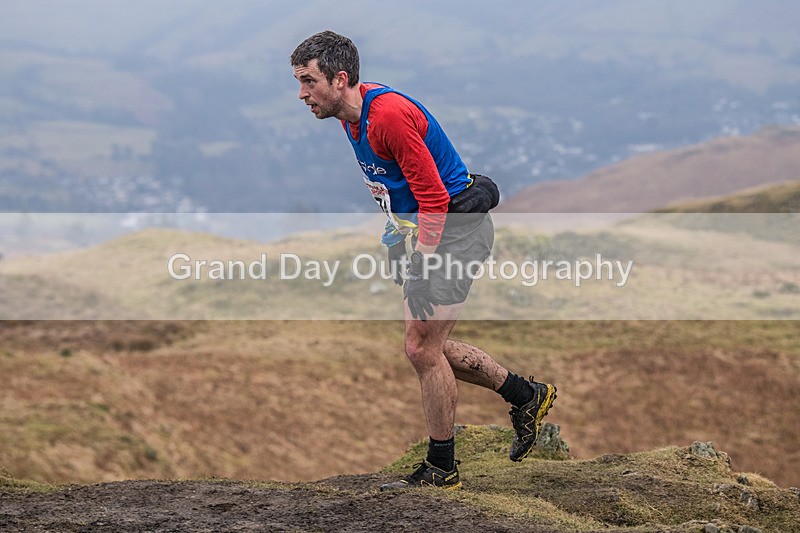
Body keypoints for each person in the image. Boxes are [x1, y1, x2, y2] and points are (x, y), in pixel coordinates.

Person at [290, 30, 556, 491]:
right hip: (436, 235)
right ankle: (525, 396)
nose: (301, 94)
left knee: (420, 348)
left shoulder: (386, 117)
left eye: (308, 82)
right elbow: (394, 188)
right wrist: (395, 239)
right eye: (298, 82)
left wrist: (423, 265)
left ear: (340, 78)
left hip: (459, 233)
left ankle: (443, 467)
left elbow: (433, 199)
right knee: (430, 344)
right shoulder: (350, 117)